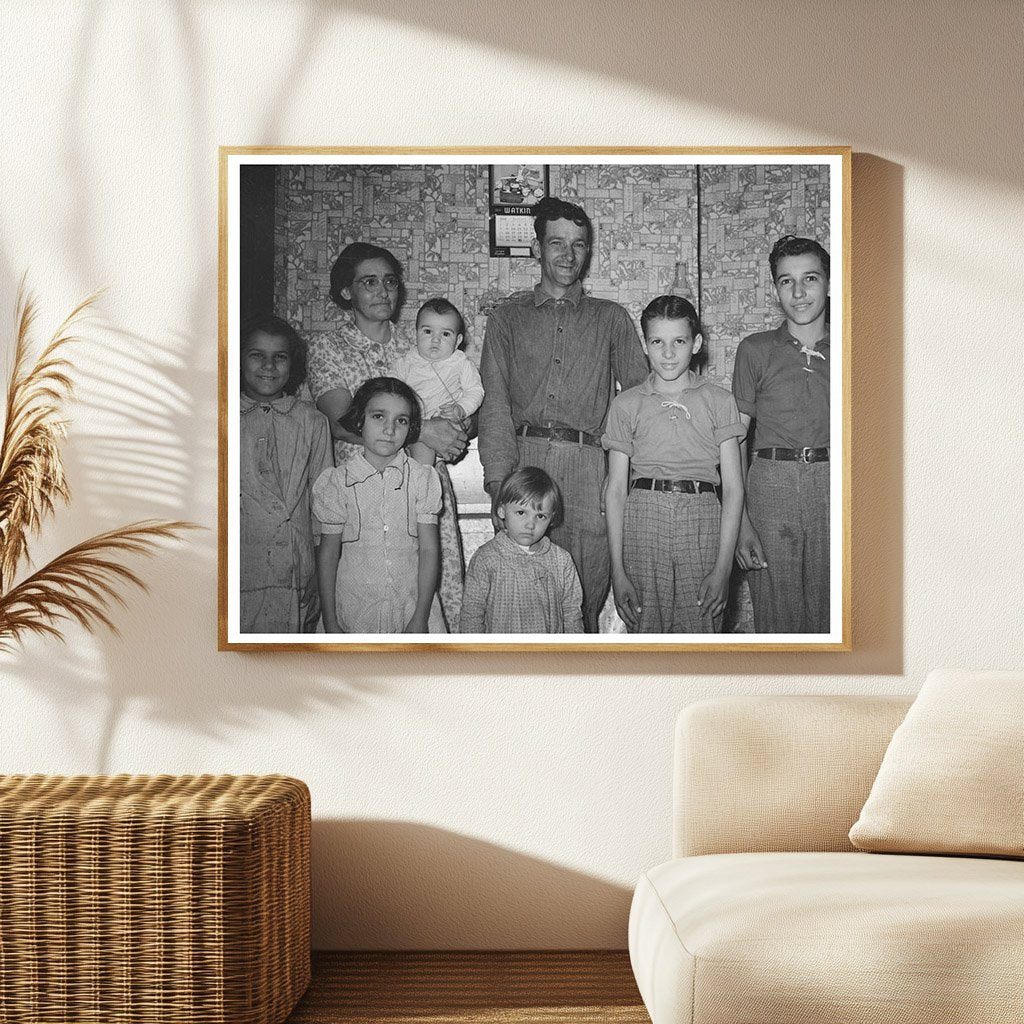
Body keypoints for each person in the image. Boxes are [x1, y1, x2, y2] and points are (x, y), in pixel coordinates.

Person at [478, 197, 649, 632]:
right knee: (516, 607)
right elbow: (494, 402)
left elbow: (640, 403)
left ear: (588, 252)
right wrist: (500, 484)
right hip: (523, 466)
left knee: (581, 608)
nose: (567, 254)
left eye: (578, 244)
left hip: (588, 472)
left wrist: (622, 480)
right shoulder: (506, 319)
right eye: (556, 242)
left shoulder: (611, 319)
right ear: (537, 248)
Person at [307, 242, 467, 629]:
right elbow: (341, 418)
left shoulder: (418, 340)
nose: (383, 291)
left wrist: (456, 423)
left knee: (431, 587)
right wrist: (424, 429)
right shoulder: (330, 347)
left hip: (420, 483)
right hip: (360, 486)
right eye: (369, 282)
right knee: (367, 588)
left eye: (390, 281)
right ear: (347, 291)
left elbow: (456, 400)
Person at [603, 296, 745, 633]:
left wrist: (723, 569)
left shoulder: (720, 401)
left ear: (696, 343)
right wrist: (617, 571)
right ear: (645, 345)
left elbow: (735, 490)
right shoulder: (626, 405)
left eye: (678, 341)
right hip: (643, 518)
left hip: (703, 517)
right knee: (646, 628)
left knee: (702, 627)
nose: (668, 353)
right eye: (657, 342)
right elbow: (616, 491)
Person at [732, 235, 831, 633]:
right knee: (777, 618)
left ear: (828, 282)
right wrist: (740, 523)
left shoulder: (854, 347)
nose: (799, 291)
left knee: (836, 615)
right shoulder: (755, 350)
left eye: (810, 278)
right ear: (775, 289)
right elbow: (735, 441)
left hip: (832, 483)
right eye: (786, 281)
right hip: (771, 486)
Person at [312, 377, 445, 634]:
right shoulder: (338, 483)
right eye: (378, 417)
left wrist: (420, 617)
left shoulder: (421, 479)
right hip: (353, 611)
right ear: (360, 420)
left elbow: (429, 551)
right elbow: (328, 555)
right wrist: (330, 619)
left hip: (412, 609)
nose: (390, 429)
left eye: (401, 420)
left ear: (410, 428)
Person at [239, 314, 331, 633]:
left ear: (292, 364)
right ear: (238, 360)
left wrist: (321, 574)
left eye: (279, 357)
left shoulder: (312, 422)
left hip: (297, 570)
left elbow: (324, 508)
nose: (269, 365)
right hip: (241, 567)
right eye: (256, 355)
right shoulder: (221, 418)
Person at [459, 467, 583, 634]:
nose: (530, 524)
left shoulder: (561, 560)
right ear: (502, 511)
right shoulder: (486, 558)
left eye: (540, 516)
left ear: (552, 518)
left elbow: (572, 615)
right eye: (521, 512)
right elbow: (471, 615)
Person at [390, 297, 484, 465]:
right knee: (420, 457)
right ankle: (421, 484)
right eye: (427, 331)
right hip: (416, 428)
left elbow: (475, 391)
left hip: (450, 423)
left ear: (458, 341)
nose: (435, 339)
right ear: (415, 333)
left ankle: (424, 480)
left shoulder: (461, 363)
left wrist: (462, 409)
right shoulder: (405, 363)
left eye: (445, 334)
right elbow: (390, 397)